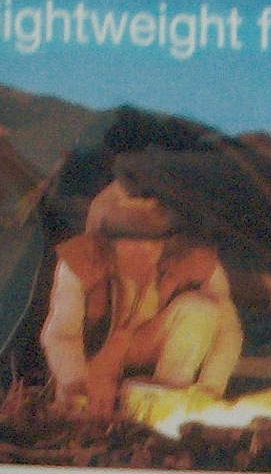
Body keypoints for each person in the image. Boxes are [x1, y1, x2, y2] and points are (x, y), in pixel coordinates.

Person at [40, 162, 244, 418]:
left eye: (153, 241)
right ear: (110, 241)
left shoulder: (190, 257)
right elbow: (61, 335)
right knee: (80, 412)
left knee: (201, 310)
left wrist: (209, 391)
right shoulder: (80, 262)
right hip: (93, 361)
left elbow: (229, 331)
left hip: (150, 353)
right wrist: (76, 384)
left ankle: (163, 406)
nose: (145, 252)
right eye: (133, 242)